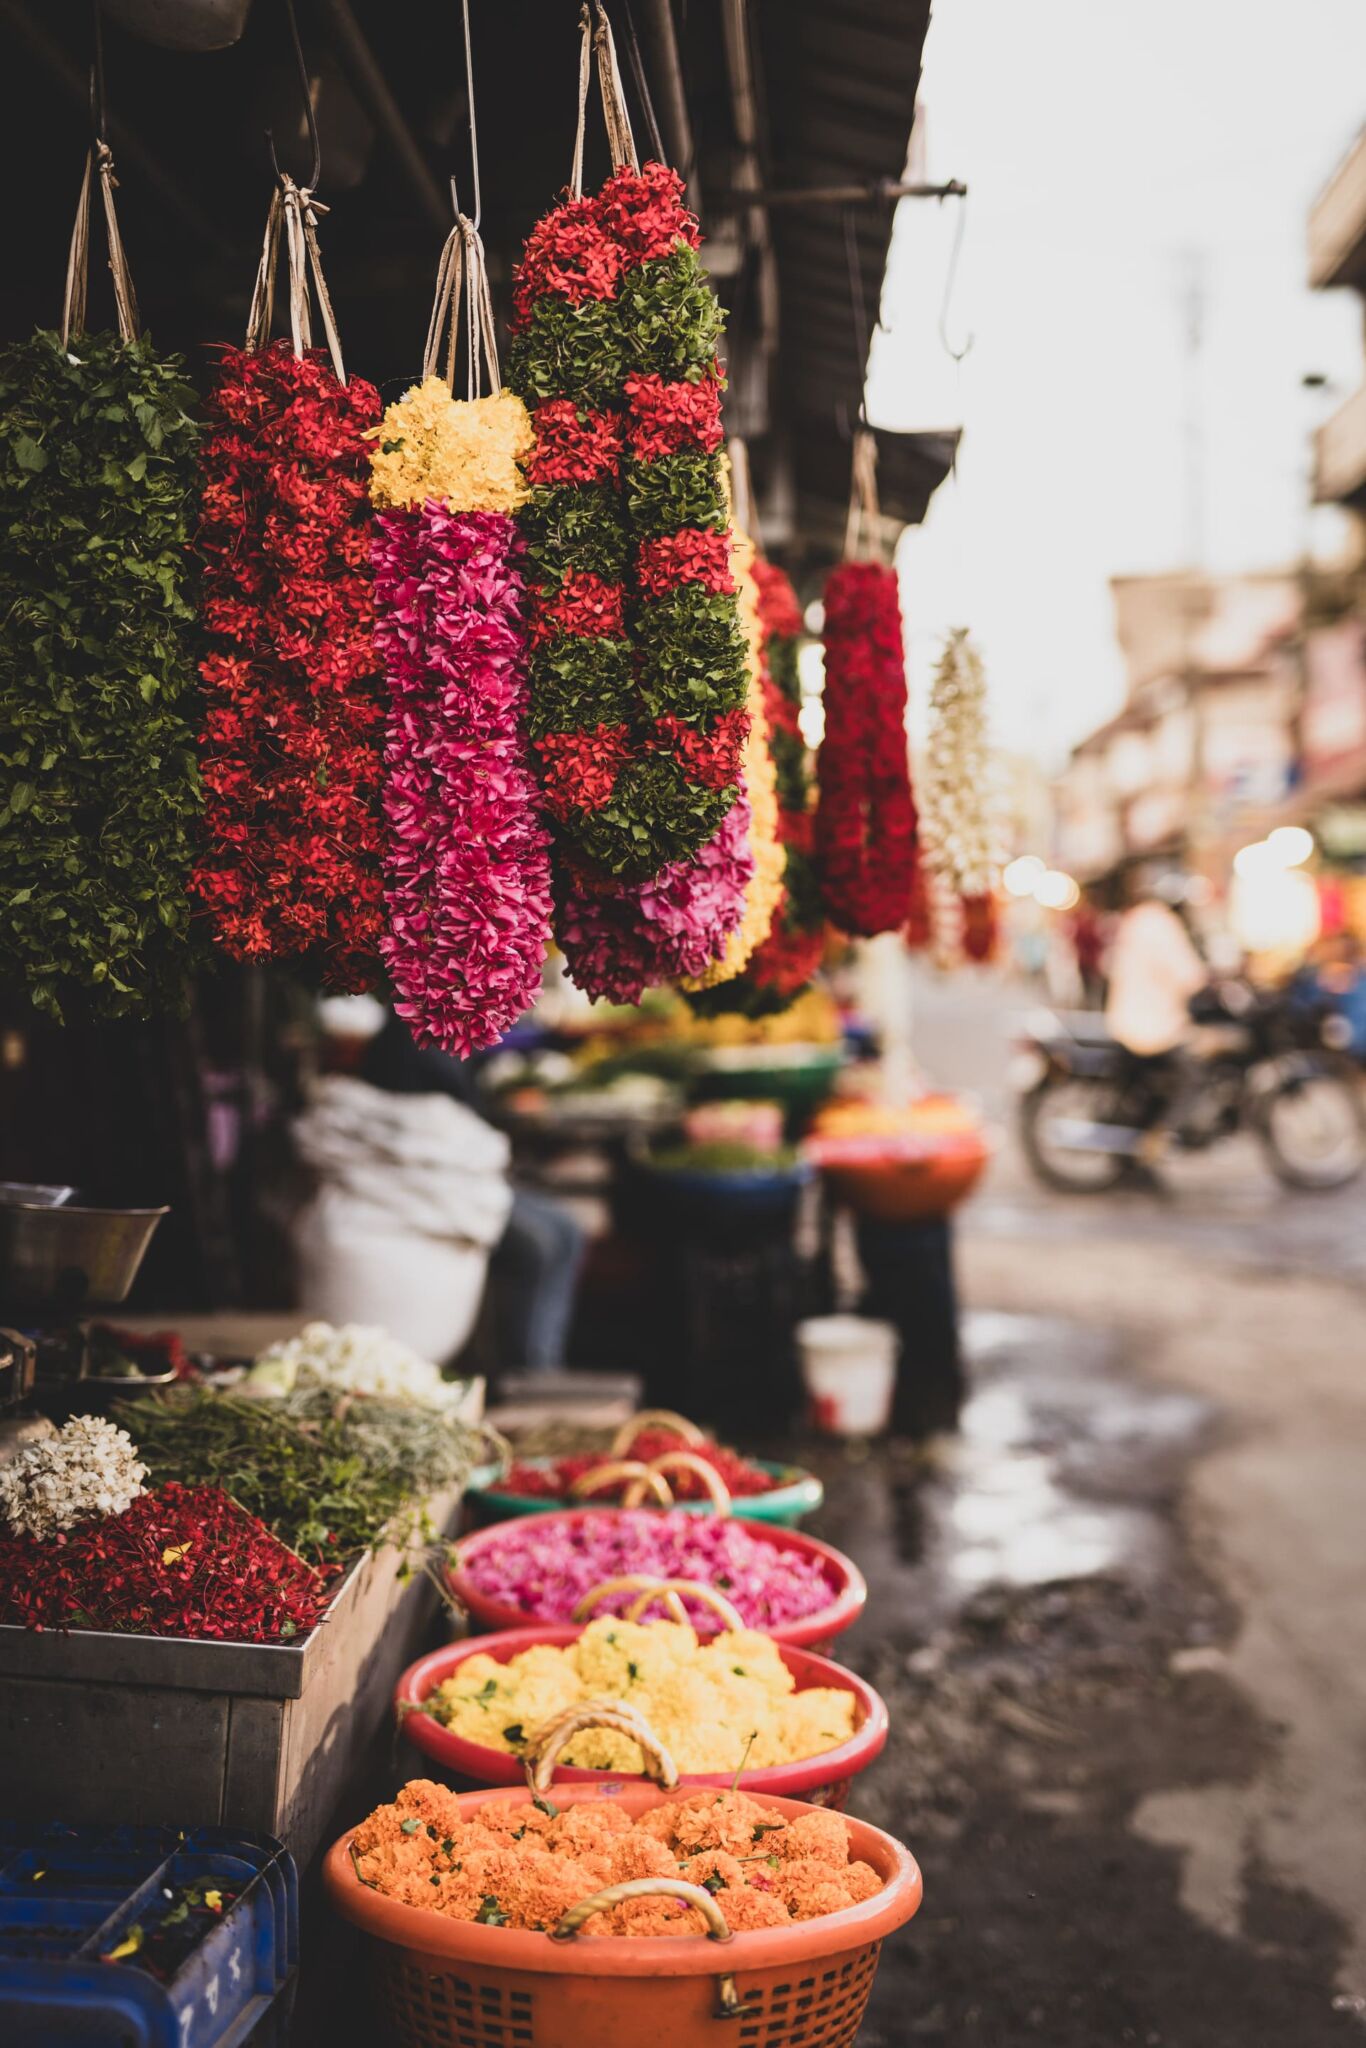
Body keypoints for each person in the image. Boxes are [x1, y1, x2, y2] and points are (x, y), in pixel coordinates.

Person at [361, 1012, 585, 1373]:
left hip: (457, 1178)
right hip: (420, 1186)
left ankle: (544, 1366)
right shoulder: (414, 1032)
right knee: (539, 1245)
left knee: (567, 1228)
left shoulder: (451, 1028)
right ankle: (526, 1371)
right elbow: (430, 1130)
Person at [1104, 877, 1207, 1161]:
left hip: (1127, 1018)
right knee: (1193, 1078)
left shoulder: (1136, 920)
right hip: (1151, 1024)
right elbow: (1189, 974)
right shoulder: (1161, 924)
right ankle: (1159, 1136)